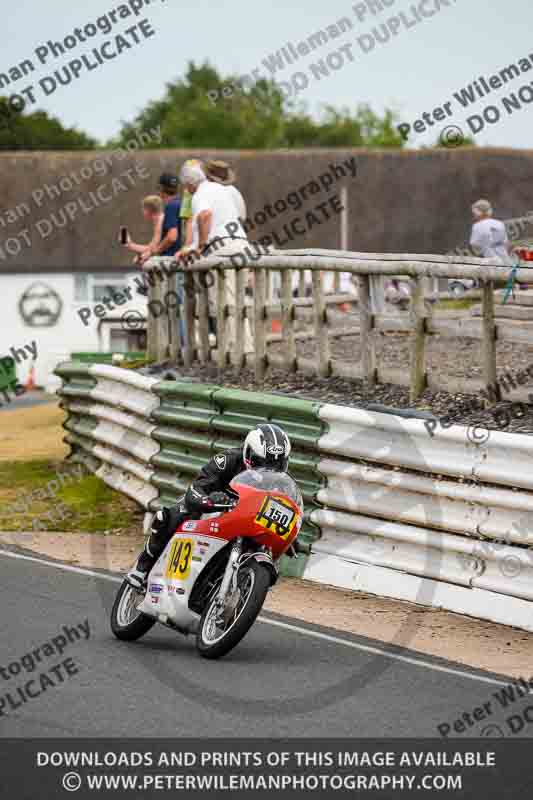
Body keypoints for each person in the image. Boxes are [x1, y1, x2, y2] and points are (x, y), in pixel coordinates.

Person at [126, 424, 292, 588]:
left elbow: (282, 506)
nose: (268, 469)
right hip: (212, 508)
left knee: (263, 547)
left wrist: (288, 532)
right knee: (174, 514)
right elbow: (196, 489)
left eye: (276, 465)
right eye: (261, 462)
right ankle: (143, 566)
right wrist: (208, 501)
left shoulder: (280, 482)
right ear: (248, 453)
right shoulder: (227, 459)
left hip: (244, 518)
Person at [122, 195, 164, 263]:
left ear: (148, 210)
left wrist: (129, 244)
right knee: (139, 260)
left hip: (169, 258)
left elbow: (152, 249)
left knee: (142, 261)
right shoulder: (159, 220)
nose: (142, 211)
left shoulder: (160, 222)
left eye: (143, 208)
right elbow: (151, 249)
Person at [470, 199, 513, 263]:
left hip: (489, 260)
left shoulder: (477, 226)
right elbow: (506, 243)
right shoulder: (500, 223)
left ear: (476, 212)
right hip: (505, 259)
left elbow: (474, 244)